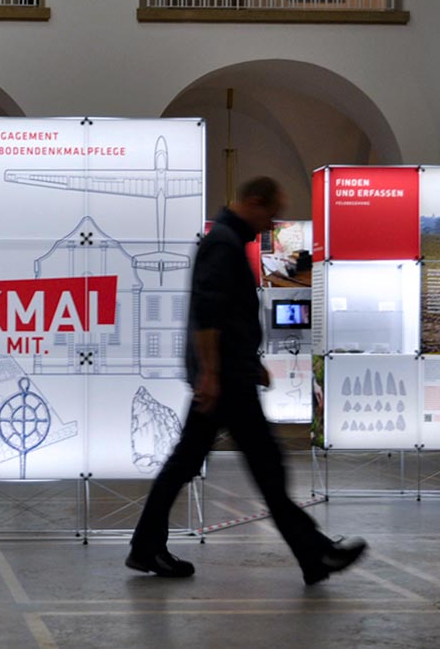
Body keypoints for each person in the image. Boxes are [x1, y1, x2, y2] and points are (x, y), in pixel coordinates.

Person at [126, 177, 366, 584]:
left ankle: (147, 547)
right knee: (265, 466)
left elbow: (226, 316)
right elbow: (207, 314)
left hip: (229, 376)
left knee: (192, 463)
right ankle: (315, 554)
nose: (270, 225)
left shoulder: (227, 242)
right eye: (270, 215)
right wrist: (213, 375)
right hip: (225, 383)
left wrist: (244, 362)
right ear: (254, 202)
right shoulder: (222, 243)